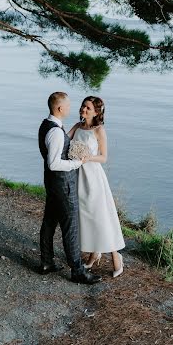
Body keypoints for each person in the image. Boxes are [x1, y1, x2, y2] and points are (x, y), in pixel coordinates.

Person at [38, 91, 101, 285]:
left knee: (49, 222)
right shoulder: (56, 132)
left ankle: (47, 262)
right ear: (59, 108)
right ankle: (78, 271)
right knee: (70, 227)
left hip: (52, 183)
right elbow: (54, 163)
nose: (71, 108)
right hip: (63, 184)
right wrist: (76, 163)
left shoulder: (45, 125)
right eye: (68, 105)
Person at [68, 96, 125, 277]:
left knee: (99, 216)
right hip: (77, 176)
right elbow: (64, 142)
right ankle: (94, 253)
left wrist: (87, 158)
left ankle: (115, 255)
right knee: (85, 217)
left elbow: (103, 157)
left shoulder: (99, 130)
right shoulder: (77, 127)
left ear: (97, 112)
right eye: (83, 107)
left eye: (88, 108)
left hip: (92, 177)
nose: (83, 110)